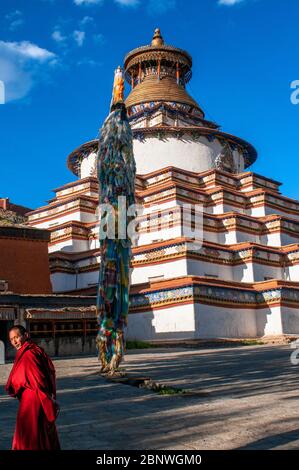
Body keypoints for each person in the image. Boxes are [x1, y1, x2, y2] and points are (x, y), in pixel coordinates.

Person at [5, 325, 60, 450]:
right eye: (11, 339)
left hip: (33, 400)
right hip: (32, 398)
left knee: (31, 433)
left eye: (17, 337)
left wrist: (48, 399)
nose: (14, 341)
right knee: (38, 431)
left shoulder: (29, 354)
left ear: (26, 335)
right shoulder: (34, 350)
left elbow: (38, 380)